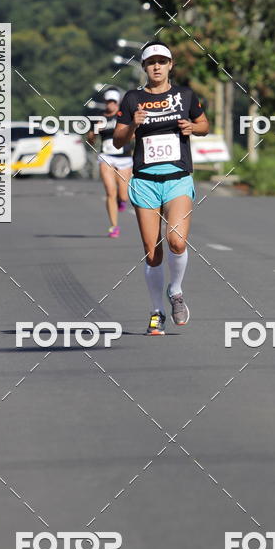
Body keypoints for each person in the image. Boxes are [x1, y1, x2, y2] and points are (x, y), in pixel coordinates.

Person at [113, 42, 209, 335]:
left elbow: (204, 124)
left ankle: (176, 291)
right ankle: (156, 312)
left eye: (162, 61)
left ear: (170, 65)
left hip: (177, 177)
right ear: (144, 67)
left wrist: (193, 129)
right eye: (151, 62)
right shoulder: (132, 99)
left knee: (177, 241)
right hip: (144, 181)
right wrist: (133, 126)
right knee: (152, 251)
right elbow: (118, 140)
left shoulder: (184, 95)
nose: (156, 66)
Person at [94, 89, 133, 238]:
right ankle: (114, 226)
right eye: (108, 102)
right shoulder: (100, 118)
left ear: (117, 103)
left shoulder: (124, 116)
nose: (110, 105)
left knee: (123, 195)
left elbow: (133, 133)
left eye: (113, 102)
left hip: (124, 158)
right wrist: (94, 131)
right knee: (110, 191)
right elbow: (91, 138)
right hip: (106, 157)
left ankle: (121, 200)